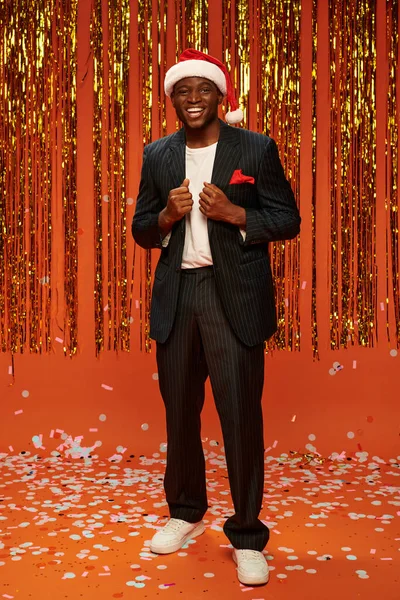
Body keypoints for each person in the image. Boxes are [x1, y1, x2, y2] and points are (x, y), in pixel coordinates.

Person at [132, 48, 301, 587]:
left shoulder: (254, 148)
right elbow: (140, 229)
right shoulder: (157, 154)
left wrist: (236, 214)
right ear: (172, 99)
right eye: (183, 91)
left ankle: (248, 535)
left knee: (240, 418)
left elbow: (288, 218)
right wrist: (166, 215)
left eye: (203, 89)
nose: (193, 99)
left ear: (220, 95)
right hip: (177, 296)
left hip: (234, 298)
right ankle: (184, 512)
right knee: (180, 413)